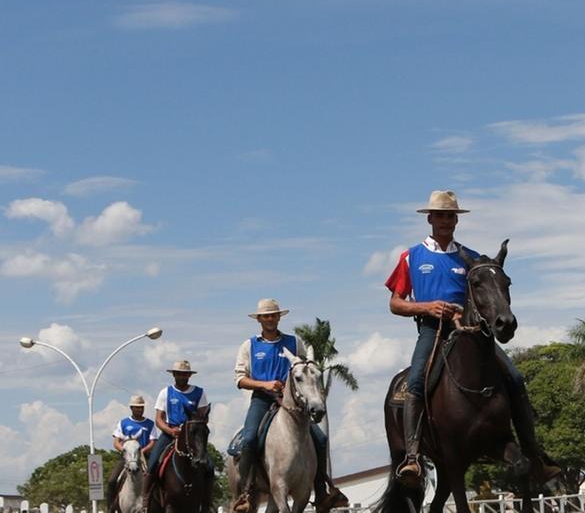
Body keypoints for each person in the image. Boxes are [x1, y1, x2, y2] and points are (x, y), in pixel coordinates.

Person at [385, 190, 560, 486]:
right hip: (432, 330)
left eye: (450, 216)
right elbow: (395, 303)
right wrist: (427, 307)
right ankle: (413, 458)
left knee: (515, 378)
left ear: (456, 220)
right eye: (440, 215)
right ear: (430, 219)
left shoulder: (470, 258)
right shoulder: (411, 256)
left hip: (471, 332)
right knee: (415, 381)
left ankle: (535, 456)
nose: (445, 221)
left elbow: (485, 295)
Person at [231, 299, 347, 513]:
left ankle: (321, 490)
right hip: (262, 399)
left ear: (279, 317)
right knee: (249, 438)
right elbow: (240, 379)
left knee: (320, 439)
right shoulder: (249, 346)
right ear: (259, 319)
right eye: (266, 316)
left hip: (292, 403)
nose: (270, 319)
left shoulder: (294, 342)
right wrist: (265, 384)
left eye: (273, 315)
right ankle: (245, 494)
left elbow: (304, 369)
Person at [144, 361, 210, 511]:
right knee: (152, 462)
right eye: (179, 374)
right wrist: (170, 430)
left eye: (185, 374)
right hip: (170, 434)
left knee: (209, 466)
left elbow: (203, 417)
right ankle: (145, 500)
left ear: (189, 376)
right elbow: (159, 419)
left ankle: (207, 502)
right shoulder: (165, 393)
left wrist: (191, 428)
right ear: (173, 375)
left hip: (192, 436)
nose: (182, 376)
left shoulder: (199, 392)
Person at [107, 395, 157, 512]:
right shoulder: (123, 423)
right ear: (131, 408)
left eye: (142, 407)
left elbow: (153, 442)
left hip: (144, 456)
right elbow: (116, 442)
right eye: (137, 407)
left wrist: (141, 451)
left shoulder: (149, 423)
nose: (140, 409)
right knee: (112, 480)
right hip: (127, 458)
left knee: (158, 477)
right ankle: (111, 507)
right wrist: (126, 451)